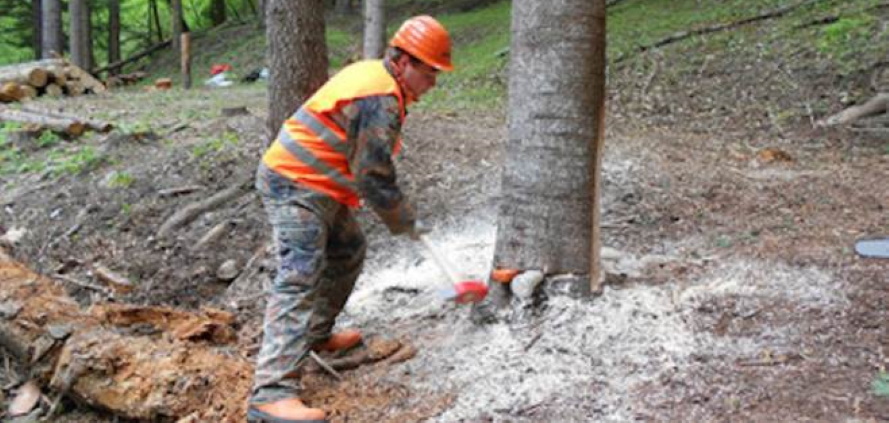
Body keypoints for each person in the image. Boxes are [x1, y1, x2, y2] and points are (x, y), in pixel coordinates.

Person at [247, 15, 454, 423]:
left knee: (348, 250)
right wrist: (404, 219)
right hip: (296, 183)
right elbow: (372, 174)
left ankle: (315, 334)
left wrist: (400, 217)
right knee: (299, 276)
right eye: (430, 72)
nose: (433, 83)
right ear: (404, 62)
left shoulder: (376, 79)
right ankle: (270, 394)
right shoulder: (379, 97)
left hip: (317, 184)